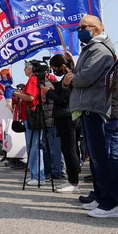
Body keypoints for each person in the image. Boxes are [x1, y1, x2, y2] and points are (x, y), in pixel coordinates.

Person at [65, 15, 118, 218]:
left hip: (94, 106)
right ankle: (100, 196)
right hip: (88, 105)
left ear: (96, 29)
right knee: (95, 157)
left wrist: (73, 77)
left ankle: (109, 203)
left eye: (83, 27)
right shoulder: (91, 48)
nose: (80, 30)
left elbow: (84, 78)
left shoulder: (99, 49)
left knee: (100, 156)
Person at [43, 53, 80, 193]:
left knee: (70, 151)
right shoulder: (66, 77)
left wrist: (48, 92)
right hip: (66, 117)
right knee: (68, 150)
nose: (54, 71)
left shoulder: (69, 76)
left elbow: (64, 99)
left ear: (61, 66)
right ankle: (72, 180)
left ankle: (74, 183)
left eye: (55, 68)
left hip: (68, 117)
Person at [12, 62, 44, 185]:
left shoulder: (32, 80)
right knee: (33, 146)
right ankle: (35, 174)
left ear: (31, 69)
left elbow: (30, 97)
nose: (24, 70)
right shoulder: (33, 80)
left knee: (34, 146)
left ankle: (38, 176)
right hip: (30, 117)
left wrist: (16, 94)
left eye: (26, 68)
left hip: (32, 116)